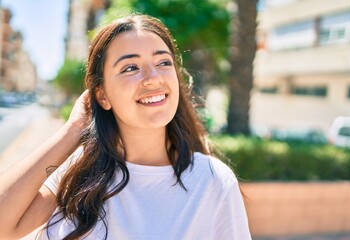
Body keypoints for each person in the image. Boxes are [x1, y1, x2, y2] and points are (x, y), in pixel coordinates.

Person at [0, 14, 251, 240]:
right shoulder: (76, 175)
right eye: (130, 67)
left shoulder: (211, 181)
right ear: (102, 96)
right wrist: (73, 130)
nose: (154, 78)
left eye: (163, 63)